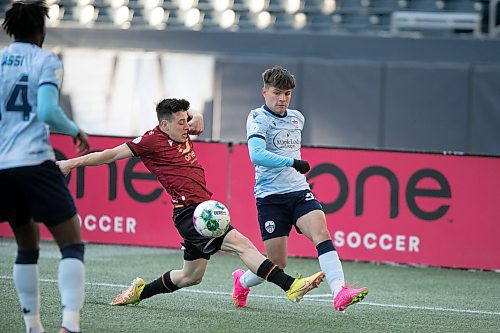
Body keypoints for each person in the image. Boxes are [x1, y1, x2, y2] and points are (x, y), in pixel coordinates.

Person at [57, 98, 325, 308]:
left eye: (186, 121)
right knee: (242, 244)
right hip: (192, 213)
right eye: (181, 122)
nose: (187, 127)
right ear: (164, 125)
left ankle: (140, 292)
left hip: (199, 209)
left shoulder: (181, 128)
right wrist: (71, 163)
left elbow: (195, 117)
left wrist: (196, 116)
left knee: (190, 276)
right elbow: (109, 154)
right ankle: (291, 286)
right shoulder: (150, 141)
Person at [231, 66, 368, 312]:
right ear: (264, 92)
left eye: (287, 94)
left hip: (299, 192)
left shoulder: (297, 118)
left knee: (322, 233)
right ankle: (241, 281)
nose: (282, 98)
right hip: (270, 198)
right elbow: (256, 154)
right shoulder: (257, 118)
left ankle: (339, 291)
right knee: (277, 263)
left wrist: (293, 166)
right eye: (276, 93)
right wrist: (292, 162)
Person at [0, 2, 90, 333]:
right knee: (71, 245)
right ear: (41, 30)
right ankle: (70, 326)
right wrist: (74, 129)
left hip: (2, 167)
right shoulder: (46, 60)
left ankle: (33, 326)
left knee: (26, 246)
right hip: (35, 162)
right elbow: (48, 111)